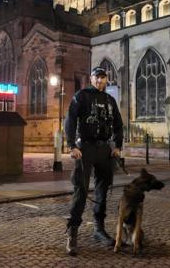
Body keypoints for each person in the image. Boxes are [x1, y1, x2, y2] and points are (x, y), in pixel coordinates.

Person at [64, 67, 124, 256]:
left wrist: (117, 146)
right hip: (86, 148)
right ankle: (72, 233)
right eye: (97, 77)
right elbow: (70, 120)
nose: (100, 81)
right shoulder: (81, 96)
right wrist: (72, 145)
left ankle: (99, 229)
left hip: (104, 149)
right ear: (91, 78)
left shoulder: (110, 100)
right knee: (81, 190)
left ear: (107, 80)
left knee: (102, 191)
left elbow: (118, 124)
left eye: (103, 78)